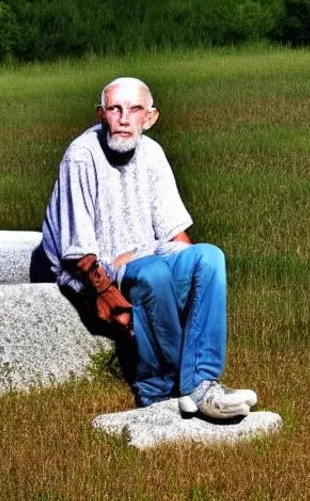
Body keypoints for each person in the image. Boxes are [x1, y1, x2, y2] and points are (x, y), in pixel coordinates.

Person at [42, 77, 257, 419]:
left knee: (209, 257)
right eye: (115, 109)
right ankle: (159, 391)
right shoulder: (81, 157)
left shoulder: (153, 153)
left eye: (135, 109)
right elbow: (77, 251)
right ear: (101, 115)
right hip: (101, 267)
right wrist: (109, 298)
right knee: (155, 273)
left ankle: (201, 385)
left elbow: (176, 233)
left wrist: (191, 287)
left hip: (147, 254)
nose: (124, 118)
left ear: (150, 117)